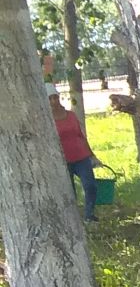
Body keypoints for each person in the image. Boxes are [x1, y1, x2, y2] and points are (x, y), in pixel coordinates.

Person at [49, 92, 98, 221]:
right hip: (63, 160)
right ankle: (73, 219)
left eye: (55, 97)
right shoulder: (47, 120)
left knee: (90, 186)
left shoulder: (70, 115)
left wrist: (92, 155)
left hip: (81, 156)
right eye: (50, 98)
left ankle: (89, 215)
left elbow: (80, 135)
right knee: (70, 192)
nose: (54, 101)